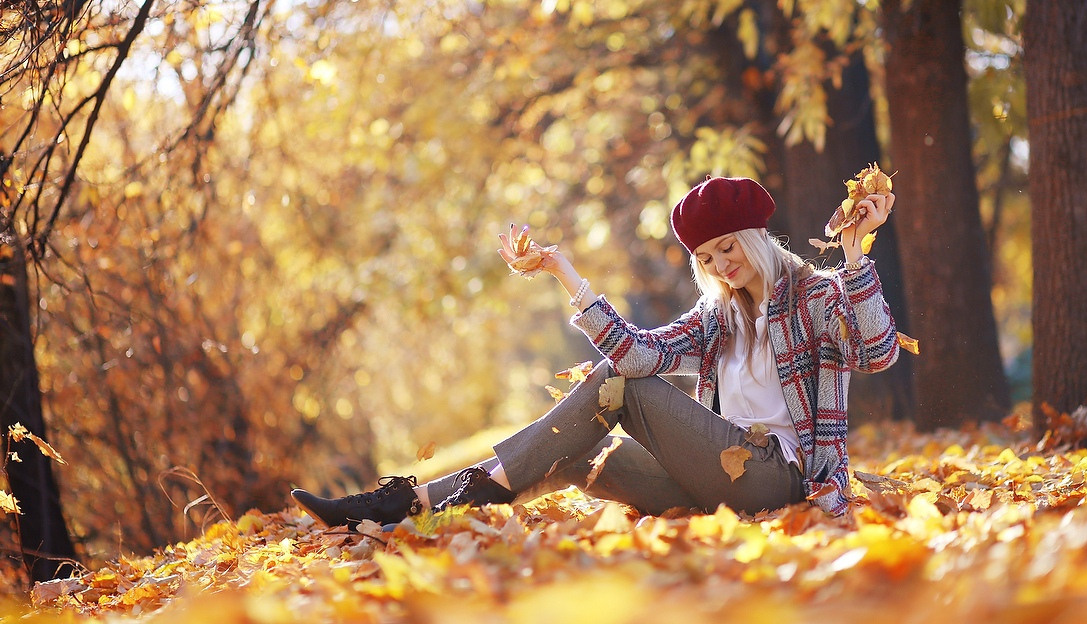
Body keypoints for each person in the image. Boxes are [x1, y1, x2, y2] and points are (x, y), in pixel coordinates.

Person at [291, 175, 899, 528]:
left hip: (778, 477)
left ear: (753, 238)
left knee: (620, 386)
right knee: (579, 457)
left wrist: (854, 256)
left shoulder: (815, 296)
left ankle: (427, 496)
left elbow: (877, 355)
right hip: (715, 478)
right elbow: (636, 353)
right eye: (708, 259)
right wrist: (565, 274)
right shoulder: (718, 317)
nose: (721, 265)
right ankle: (418, 505)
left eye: (727, 248)